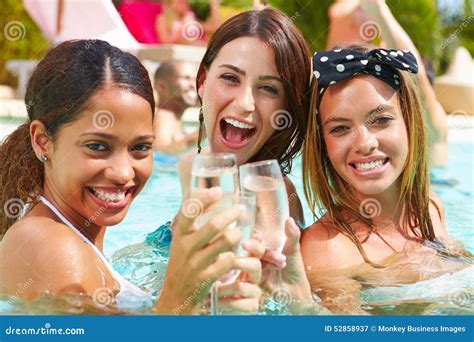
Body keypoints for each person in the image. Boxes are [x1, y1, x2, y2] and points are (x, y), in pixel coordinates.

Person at [0, 39, 263, 314]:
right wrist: (178, 296)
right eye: (98, 146)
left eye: (140, 147)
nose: (124, 173)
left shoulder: (72, 234)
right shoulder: (50, 246)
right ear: (43, 141)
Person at [149, 7, 315, 304]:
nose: (245, 104)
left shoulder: (268, 196)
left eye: (268, 88)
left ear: (286, 109)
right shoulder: (192, 166)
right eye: (230, 78)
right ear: (202, 82)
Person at [300, 45, 469, 313]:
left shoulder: (430, 208)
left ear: (410, 124)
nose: (364, 143)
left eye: (380, 120)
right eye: (340, 128)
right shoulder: (329, 250)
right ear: (323, 145)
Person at [153, 60, 200, 154]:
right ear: (161, 86)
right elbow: (162, 154)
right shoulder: (162, 117)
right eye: (186, 78)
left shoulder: (173, 118)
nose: (193, 85)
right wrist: (204, 132)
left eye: (195, 79)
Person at [155, 0, 220, 45]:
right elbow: (165, 41)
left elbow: (215, 28)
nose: (185, 3)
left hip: (195, 49)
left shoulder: (190, 17)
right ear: (170, 3)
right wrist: (179, 33)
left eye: (186, 1)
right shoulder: (163, 18)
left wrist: (214, 5)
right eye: (181, 1)